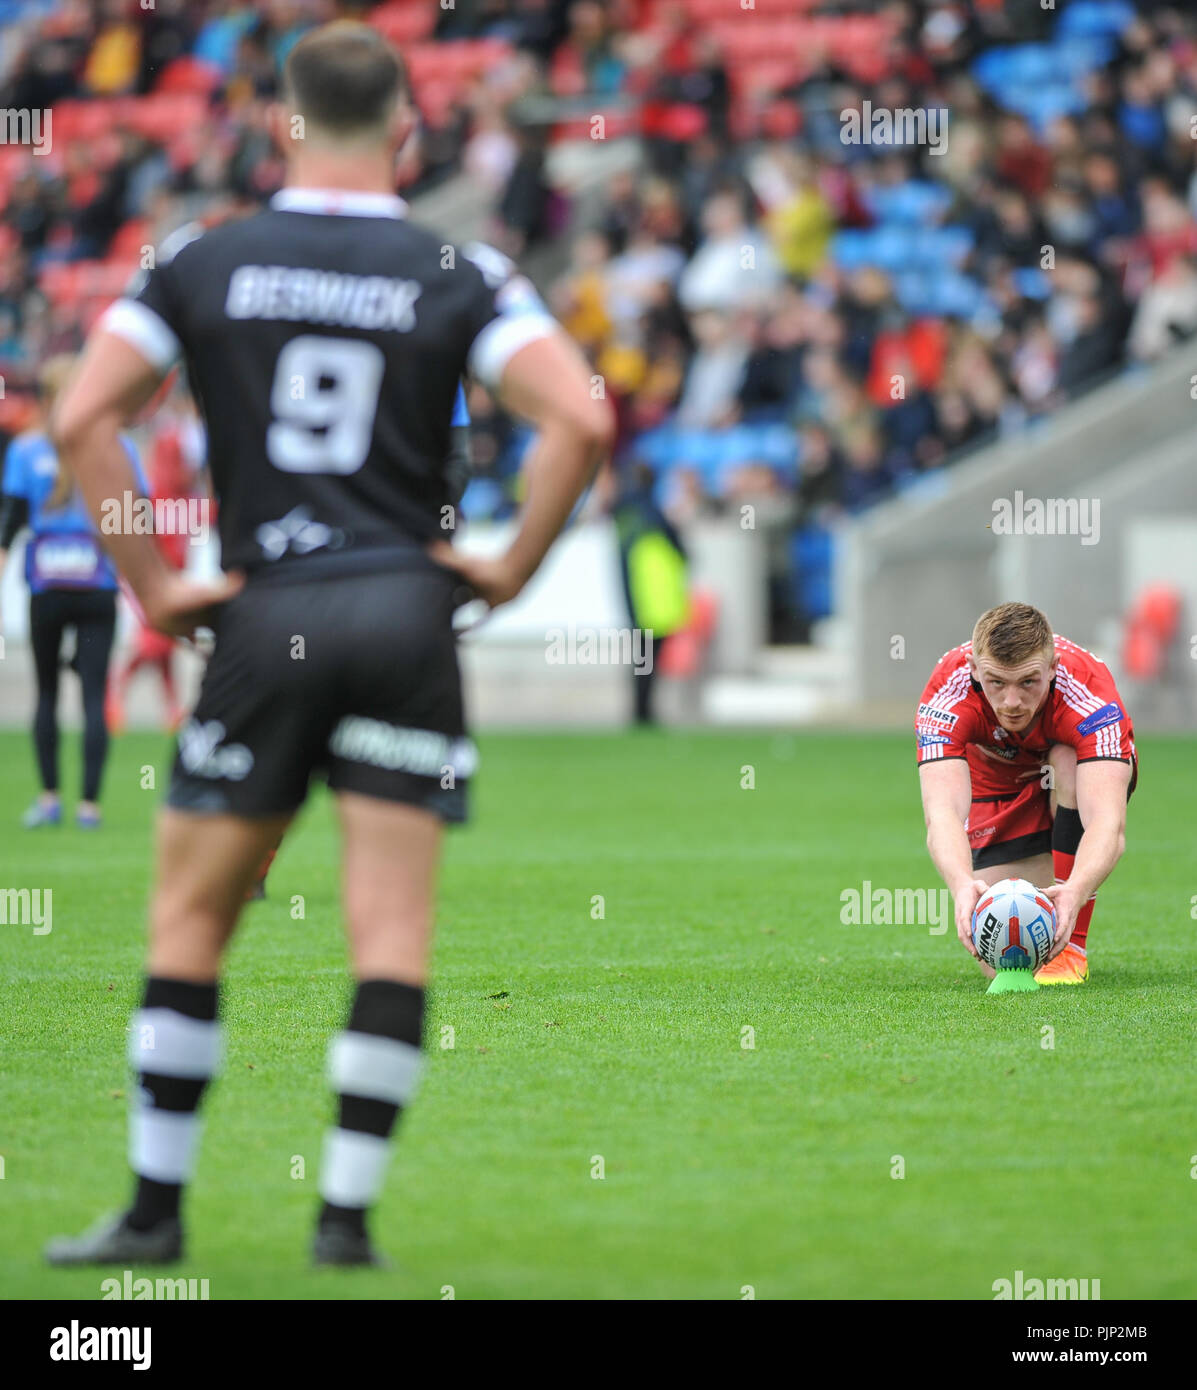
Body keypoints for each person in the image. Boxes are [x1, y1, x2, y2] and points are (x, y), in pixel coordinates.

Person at [44, 19, 613, 1269]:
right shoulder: (459, 267)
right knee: (390, 934)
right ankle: (345, 1223)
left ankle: (152, 1214)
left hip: (268, 608)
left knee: (192, 923)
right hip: (408, 611)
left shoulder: (205, 256)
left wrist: (152, 582)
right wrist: (508, 569)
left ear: (280, 125)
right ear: (408, 132)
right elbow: (579, 415)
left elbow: (84, 417)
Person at [916, 602, 1136, 986]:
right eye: (996, 682)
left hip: (1065, 772)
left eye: (1028, 682)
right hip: (997, 782)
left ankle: (1073, 950)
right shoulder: (945, 695)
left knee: (1066, 759)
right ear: (973, 668)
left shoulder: (1090, 696)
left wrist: (1076, 892)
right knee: (1004, 957)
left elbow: (1107, 824)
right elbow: (943, 813)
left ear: (1053, 669)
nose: (1012, 702)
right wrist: (961, 885)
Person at [0, 354, 148, 830]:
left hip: (46, 586)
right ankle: (90, 806)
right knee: (92, 696)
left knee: (46, 694)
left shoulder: (25, 451)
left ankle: (48, 799)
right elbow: (136, 516)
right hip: (97, 586)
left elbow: (10, 523)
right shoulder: (117, 447)